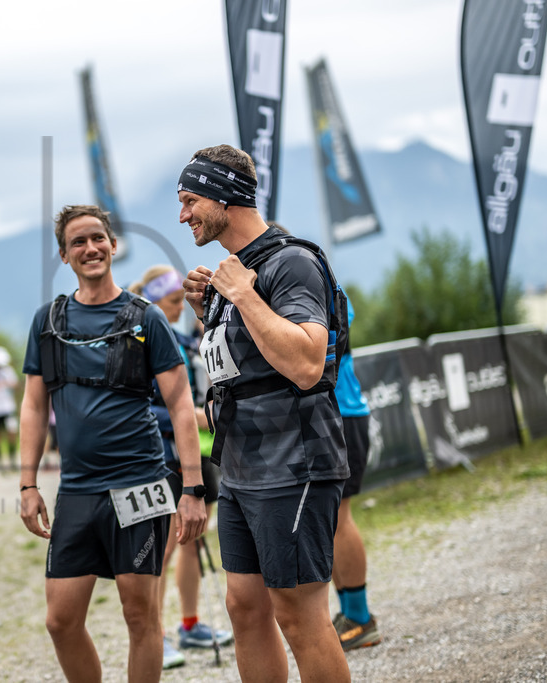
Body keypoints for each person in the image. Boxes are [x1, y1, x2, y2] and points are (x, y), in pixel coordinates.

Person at [179, 144, 351, 682]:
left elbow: (306, 362)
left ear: (224, 197)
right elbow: (242, 367)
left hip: (294, 461)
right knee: (244, 608)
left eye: (190, 201)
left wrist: (243, 298)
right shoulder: (237, 273)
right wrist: (213, 311)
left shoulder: (290, 261)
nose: (183, 216)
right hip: (242, 464)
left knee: (299, 617)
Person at [19, 204, 207, 682]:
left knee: (140, 615)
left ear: (113, 245)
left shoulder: (146, 318)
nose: (90, 248)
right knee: (60, 620)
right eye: (78, 242)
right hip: (79, 490)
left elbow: (182, 403)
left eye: (97, 238)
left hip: (140, 483)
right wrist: (27, 484)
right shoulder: (48, 323)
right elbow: (34, 407)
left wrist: (192, 489)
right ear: (65, 255)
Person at [128, 265, 232, 669]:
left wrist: (198, 416)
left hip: (197, 454)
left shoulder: (181, 335)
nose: (177, 309)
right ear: (155, 300)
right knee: (164, 548)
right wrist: (189, 415)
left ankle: (189, 625)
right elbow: (142, 406)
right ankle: (158, 635)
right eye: (172, 302)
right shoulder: (143, 337)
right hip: (162, 457)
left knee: (194, 538)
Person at [332, 299, 383, 651]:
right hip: (335, 413)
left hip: (342, 414)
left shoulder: (306, 274)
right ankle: (349, 612)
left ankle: (361, 617)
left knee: (338, 518)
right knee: (328, 519)